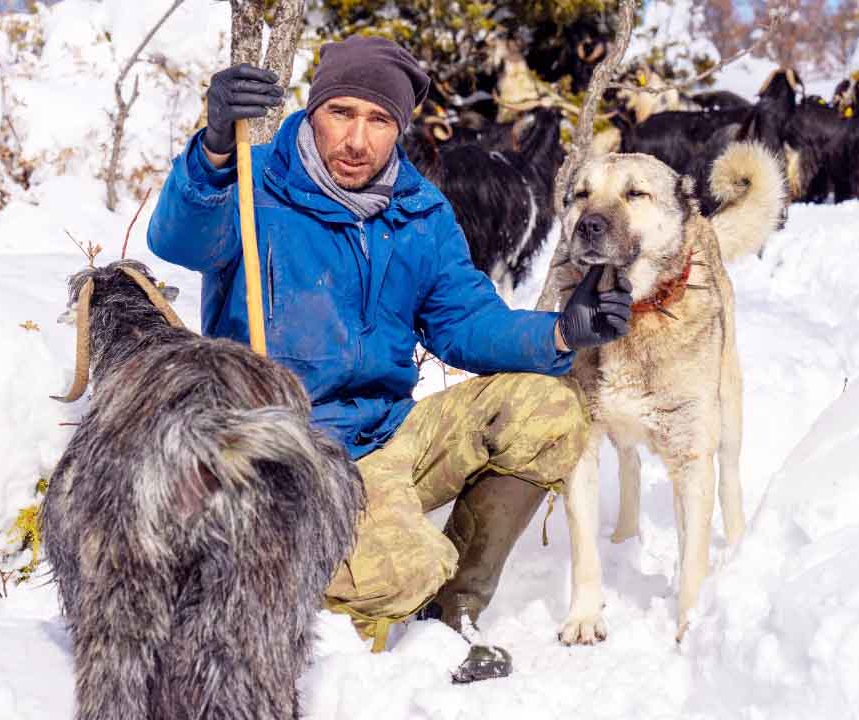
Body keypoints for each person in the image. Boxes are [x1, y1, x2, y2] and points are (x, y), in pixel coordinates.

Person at [147, 35, 630, 682]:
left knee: (550, 409)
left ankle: (450, 616)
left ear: (399, 129)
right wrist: (210, 149)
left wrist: (562, 334)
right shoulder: (254, 183)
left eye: (379, 121)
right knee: (405, 568)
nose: (357, 139)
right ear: (312, 109)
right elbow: (178, 238)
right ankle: (334, 621)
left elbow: (465, 322)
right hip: (281, 454)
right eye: (341, 113)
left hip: (386, 436)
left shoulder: (418, 212)